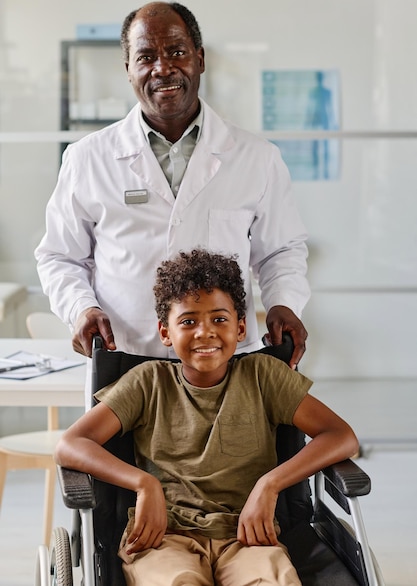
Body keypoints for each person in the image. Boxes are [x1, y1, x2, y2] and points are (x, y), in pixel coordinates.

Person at [55, 249, 358, 586]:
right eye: (188, 321)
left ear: (240, 327)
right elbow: (71, 444)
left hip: (249, 535)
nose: (204, 332)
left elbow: (341, 435)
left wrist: (270, 484)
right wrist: (144, 484)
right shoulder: (147, 382)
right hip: (163, 538)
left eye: (219, 319)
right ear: (166, 332)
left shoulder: (265, 376)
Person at [35, 1, 310, 370]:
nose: (162, 68)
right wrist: (81, 307)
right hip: (125, 358)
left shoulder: (257, 158)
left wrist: (284, 303)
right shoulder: (87, 158)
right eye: (146, 57)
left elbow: (281, 251)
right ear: (128, 69)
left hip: (223, 362)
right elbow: (60, 256)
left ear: (200, 58)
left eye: (177, 52)